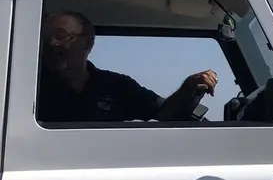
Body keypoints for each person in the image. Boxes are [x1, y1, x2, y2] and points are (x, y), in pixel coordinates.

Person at [37, 10, 219, 123]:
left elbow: (163, 114)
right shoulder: (31, 87)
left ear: (88, 43)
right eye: (46, 37)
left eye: (61, 35)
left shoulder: (116, 86)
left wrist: (188, 89)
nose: (52, 43)